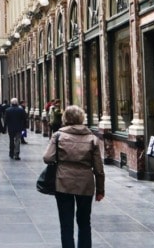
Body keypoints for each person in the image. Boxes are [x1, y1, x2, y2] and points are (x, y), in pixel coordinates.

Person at [44, 105, 105, 248]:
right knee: (84, 222)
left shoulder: (58, 136)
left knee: (66, 223)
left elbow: (47, 158)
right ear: (81, 118)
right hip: (85, 184)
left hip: (63, 182)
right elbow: (98, 168)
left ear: (65, 118)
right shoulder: (92, 138)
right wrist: (100, 190)